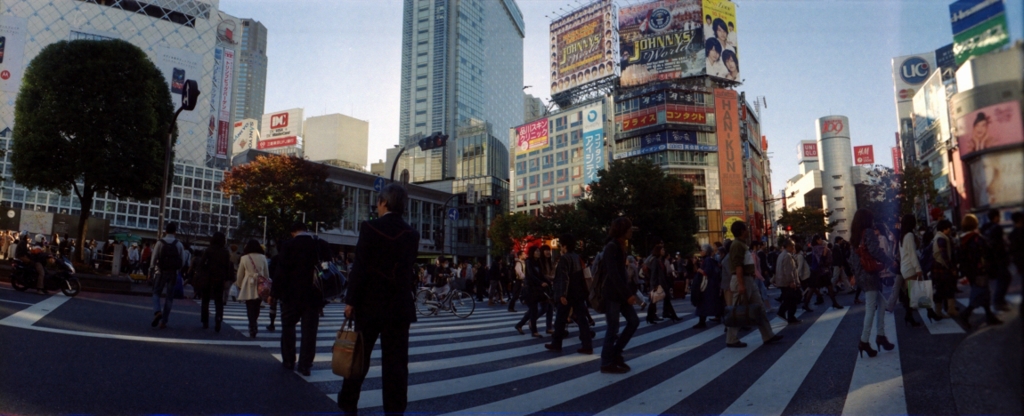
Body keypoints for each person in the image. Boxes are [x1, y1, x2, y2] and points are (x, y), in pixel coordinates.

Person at [338, 184, 420, 414]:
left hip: (370, 303)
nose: (377, 206)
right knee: (396, 364)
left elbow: (360, 267)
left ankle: (348, 402)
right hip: (399, 307)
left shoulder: (370, 228)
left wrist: (350, 301)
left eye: (378, 202)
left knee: (359, 358)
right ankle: (394, 410)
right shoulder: (412, 234)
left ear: (384, 202)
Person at [273, 221, 331, 376]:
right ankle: (305, 364)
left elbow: (281, 272)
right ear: (306, 230)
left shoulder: (288, 245)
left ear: (293, 232)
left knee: (288, 327)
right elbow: (327, 269)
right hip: (313, 295)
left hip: (291, 295)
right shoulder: (321, 245)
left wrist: (274, 294)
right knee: (310, 331)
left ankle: (289, 360)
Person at [725, 221, 783, 348]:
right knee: (737, 311)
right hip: (742, 279)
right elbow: (738, 266)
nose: (747, 231)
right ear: (741, 231)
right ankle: (731, 339)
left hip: (748, 279)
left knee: (760, 308)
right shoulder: (737, 245)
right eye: (745, 229)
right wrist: (741, 284)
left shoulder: (742, 244)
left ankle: (768, 335)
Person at [850, 209, 895, 358]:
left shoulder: (855, 236)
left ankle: (880, 336)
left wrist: (856, 275)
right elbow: (875, 251)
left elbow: (853, 259)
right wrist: (889, 261)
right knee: (871, 308)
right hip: (870, 275)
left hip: (863, 276)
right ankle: (864, 341)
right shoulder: (868, 232)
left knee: (882, 304)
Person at [598, 217, 640, 374]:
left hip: (621, 293)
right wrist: (627, 294)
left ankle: (615, 353)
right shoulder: (612, 247)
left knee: (633, 321)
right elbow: (613, 273)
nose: (631, 231)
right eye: (628, 229)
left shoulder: (621, 246)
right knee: (613, 327)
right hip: (612, 294)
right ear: (621, 230)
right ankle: (606, 361)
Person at [545, 233, 594, 355]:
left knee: (560, 319)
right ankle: (587, 344)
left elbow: (564, 277)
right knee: (582, 319)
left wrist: (562, 294)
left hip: (568, 294)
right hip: (578, 292)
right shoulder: (577, 257)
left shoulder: (564, 258)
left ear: (564, 245)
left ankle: (556, 343)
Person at [958, 214, 1003, 329]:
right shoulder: (976, 238)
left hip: (971, 271)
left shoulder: (963, 239)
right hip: (980, 270)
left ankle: (989, 315)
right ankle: (965, 315)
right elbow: (986, 252)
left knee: (984, 293)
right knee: (979, 294)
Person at [150, 222, 185, 329]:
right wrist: (177, 269)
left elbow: (154, 258)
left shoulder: (160, 243)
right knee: (169, 298)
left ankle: (157, 312)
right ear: (175, 232)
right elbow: (182, 261)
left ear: (165, 231)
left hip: (160, 272)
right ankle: (164, 322)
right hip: (173, 274)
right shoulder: (178, 244)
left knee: (156, 293)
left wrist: (151, 270)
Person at [197, 232, 232, 332]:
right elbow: (227, 267)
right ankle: (218, 319)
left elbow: (202, 264)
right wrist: (226, 278)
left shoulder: (209, 250)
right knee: (218, 301)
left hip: (208, 278)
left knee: (205, 300)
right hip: (219, 279)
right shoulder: (225, 252)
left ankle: (205, 321)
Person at [236, 239, 269, 338]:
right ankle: (254, 322)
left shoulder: (244, 258)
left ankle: (252, 325)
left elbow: (240, 273)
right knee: (257, 306)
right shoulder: (263, 257)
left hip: (248, 284)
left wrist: (239, 284)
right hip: (260, 283)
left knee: (249, 306)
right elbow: (267, 273)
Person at [894, 215, 923, 327]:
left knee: (915, 293)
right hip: (910, 267)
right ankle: (910, 316)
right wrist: (918, 269)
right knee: (915, 294)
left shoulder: (903, 236)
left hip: (905, 267)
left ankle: (929, 313)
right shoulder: (909, 235)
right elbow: (912, 254)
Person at [980, 209, 1011, 311]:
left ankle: (998, 301)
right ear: (996, 217)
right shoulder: (997, 228)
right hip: (999, 259)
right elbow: (999, 246)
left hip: (989, 259)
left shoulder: (984, 227)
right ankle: (998, 301)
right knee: (1005, 278)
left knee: (999, 279)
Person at [515, 246, 547, 338]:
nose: (538, 252)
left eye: (538, 251)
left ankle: (519, 325)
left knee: (532, 310)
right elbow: (531, 275)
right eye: (536, 251)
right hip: (529, 289)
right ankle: (534, 331)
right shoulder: (528, 262)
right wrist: (541, 283)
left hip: (537, 289)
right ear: (532, 252)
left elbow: (541, 275)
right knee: (534, 310)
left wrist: (548, 281)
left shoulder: (538, 262)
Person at [931, 219, 958, 320]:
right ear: (945, 229)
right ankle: (948, 309)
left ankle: (940, 311)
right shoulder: (941, 239)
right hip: (942, 268)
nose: (950, 230)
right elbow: (944, 255)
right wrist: (951, 268)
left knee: (941, 290)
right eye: (949, 228)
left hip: (938, 268)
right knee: (947, 288)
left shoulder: (938, 237)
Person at [772, 237, 802, 324]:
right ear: (789, 246)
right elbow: (789, 271)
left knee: (788, 299)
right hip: (787, 282)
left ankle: (785, 314)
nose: (794, 248)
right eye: (793, 246)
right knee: (793, 299)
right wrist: (792, 281)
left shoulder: (781, 254)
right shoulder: (787, 256)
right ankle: (789, 316)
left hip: (782, 282)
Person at [693, 244, 723, 329]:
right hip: (712, 284)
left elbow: (706, 272)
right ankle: (718, 316)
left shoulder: (707, 260)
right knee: (712, 302)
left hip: (708, 285)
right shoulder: (711, 260)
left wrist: (699, 270)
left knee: (703, 303)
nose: (700, 252)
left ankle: (702, 321)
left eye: (701, 250)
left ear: (705, 251)